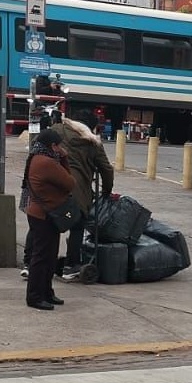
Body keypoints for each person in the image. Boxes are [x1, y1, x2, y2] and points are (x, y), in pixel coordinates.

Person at [52, 109, 115, 277]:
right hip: (76, 189)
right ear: (92, 127)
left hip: (50, 185)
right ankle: (71, 265)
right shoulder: (92, 142)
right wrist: (107, 191)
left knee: (45, 223)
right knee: (78, 224)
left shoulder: (56, 130)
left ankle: (30, 263)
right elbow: (106, 170)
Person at [20, 128, 76, 310]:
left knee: (49, 256)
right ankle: (35, 296)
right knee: (42, 257)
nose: (60, 149)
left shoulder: (37, 157)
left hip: (43, 213)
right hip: (44, 214)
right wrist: (65, 158)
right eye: (58, 146)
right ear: (52, 146)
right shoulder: (46, 162)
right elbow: (70, 183)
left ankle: (46, 292)